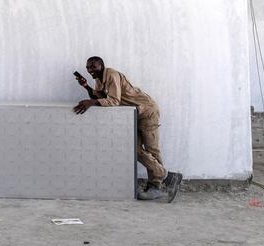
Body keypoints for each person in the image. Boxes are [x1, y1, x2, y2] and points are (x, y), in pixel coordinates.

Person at [73, 56, 182, 202]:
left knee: (152, 149)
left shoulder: (111, 75)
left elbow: (114, 101)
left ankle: (155, 187)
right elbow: (101, 96)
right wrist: (86, 87)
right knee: (134, 149)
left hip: (147, 111)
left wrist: (91, 102)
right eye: (88, 68)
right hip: (132, 114)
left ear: (102, 66)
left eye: (93, 67)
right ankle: (168, 176)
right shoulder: (99, 80)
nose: (90, 70)